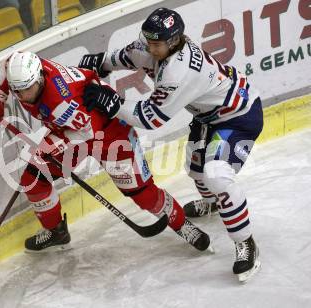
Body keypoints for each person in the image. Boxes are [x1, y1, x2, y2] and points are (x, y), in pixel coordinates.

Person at [78, 8, 262, 282]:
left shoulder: (180, 71)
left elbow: (149, 118)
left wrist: (113, 104)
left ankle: (246, 243)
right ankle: (211, 203)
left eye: (156, 44)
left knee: (216, 174)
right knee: (194, 168)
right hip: (209, 115)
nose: (150, 48)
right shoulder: (158, 45)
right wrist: (104, 62)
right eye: (149, 41)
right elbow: (131, 54)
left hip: (239, 117)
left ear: (174, 41)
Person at [0, 50, 211, 253]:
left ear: (39, 78)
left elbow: (86, 133)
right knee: (34, 178)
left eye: (26, 89)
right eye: (16, 91)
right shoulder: (29, 67)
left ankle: (182, 225)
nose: (21, 96)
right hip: (74, 128)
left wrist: (54, 147)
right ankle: (56, 232)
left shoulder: (61, 101)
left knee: (141, 193)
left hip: (109, 135)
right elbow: (10, 62)